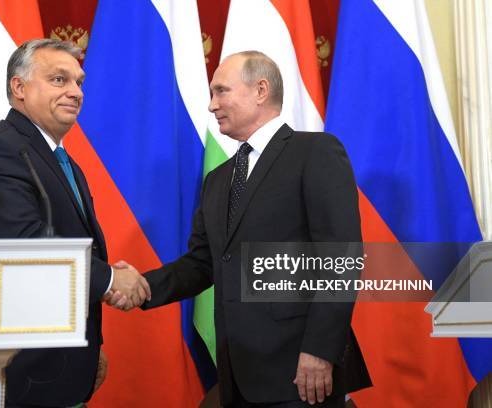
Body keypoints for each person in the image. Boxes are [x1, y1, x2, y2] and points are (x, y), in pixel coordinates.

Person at [110, 51, 370, 407]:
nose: (212, 105)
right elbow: (203, 263)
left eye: (221, 91)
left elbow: (340, 257)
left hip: (302, 370)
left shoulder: (315, 153)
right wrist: (141, 287)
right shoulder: (218, 179)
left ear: (260, 90)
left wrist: (319, 350)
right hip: (238, 375)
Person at [0, 39, 150, 407]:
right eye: (59, 80)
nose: (75, 92)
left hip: (58, 361)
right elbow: (25, 245)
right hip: (14, 367)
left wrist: (88, 348)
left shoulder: (62, 160)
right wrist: (110, 279)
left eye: (79, 82)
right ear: (19, 88)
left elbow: (73, 244)